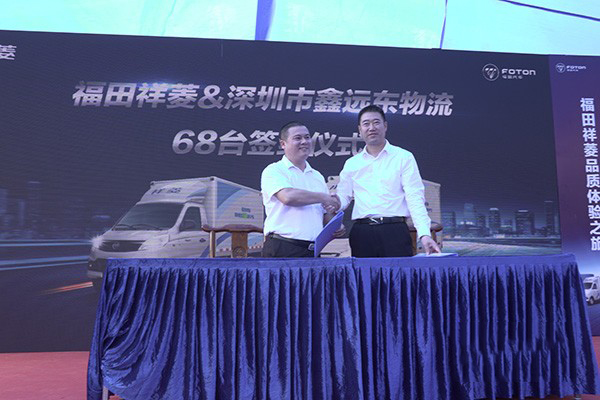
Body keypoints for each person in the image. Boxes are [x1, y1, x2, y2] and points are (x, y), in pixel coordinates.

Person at [336, 105, 441, 257]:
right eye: (366, 124)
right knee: (363, 273)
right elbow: (343, 198)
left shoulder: (403, 157)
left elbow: (415, 197)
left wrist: (424, 234)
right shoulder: (352, 163)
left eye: (376, 122)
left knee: (398, 273)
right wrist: (332, 203)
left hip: (395, 231)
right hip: (362, 233)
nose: (371, 128)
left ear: (385, 126)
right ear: (359, 129)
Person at [261, 121, 340, 257]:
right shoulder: (274, 170)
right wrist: (324, 197)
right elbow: (288, 197)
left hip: (312, 250)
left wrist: (335, 220)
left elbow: (323, 214)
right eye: (298, 138)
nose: (304, 142)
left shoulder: (317, 176)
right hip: (283, 247)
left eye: (307, 137)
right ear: (283, 144)